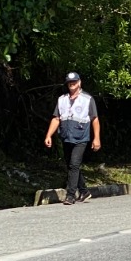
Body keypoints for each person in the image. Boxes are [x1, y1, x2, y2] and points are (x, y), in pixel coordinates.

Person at [44, 72, 100, 205]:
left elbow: (95, 119)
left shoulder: (87, 99)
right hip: (66, 137)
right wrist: (48, 135)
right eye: (69, 82)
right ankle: (84, 191)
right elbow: (56, 118)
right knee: (71, 165)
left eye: (74, 82)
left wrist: (96, 138)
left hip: (81, 137)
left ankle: (70, 195)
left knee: (74, 164)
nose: (72, 84)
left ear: (79, 82)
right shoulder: (62, 99)